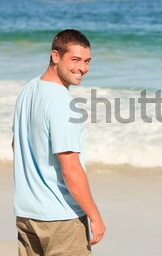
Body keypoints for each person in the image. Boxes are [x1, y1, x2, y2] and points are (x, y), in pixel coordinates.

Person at [12, 29, 105, 256]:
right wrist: (94, 215)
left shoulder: (29, 90)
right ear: (55, 56)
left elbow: (16, 145)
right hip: (60, 219)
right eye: (75, 60)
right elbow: (71, 169)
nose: (82, 68)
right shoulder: (63, 103)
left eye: (87, 61)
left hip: (27, 214)